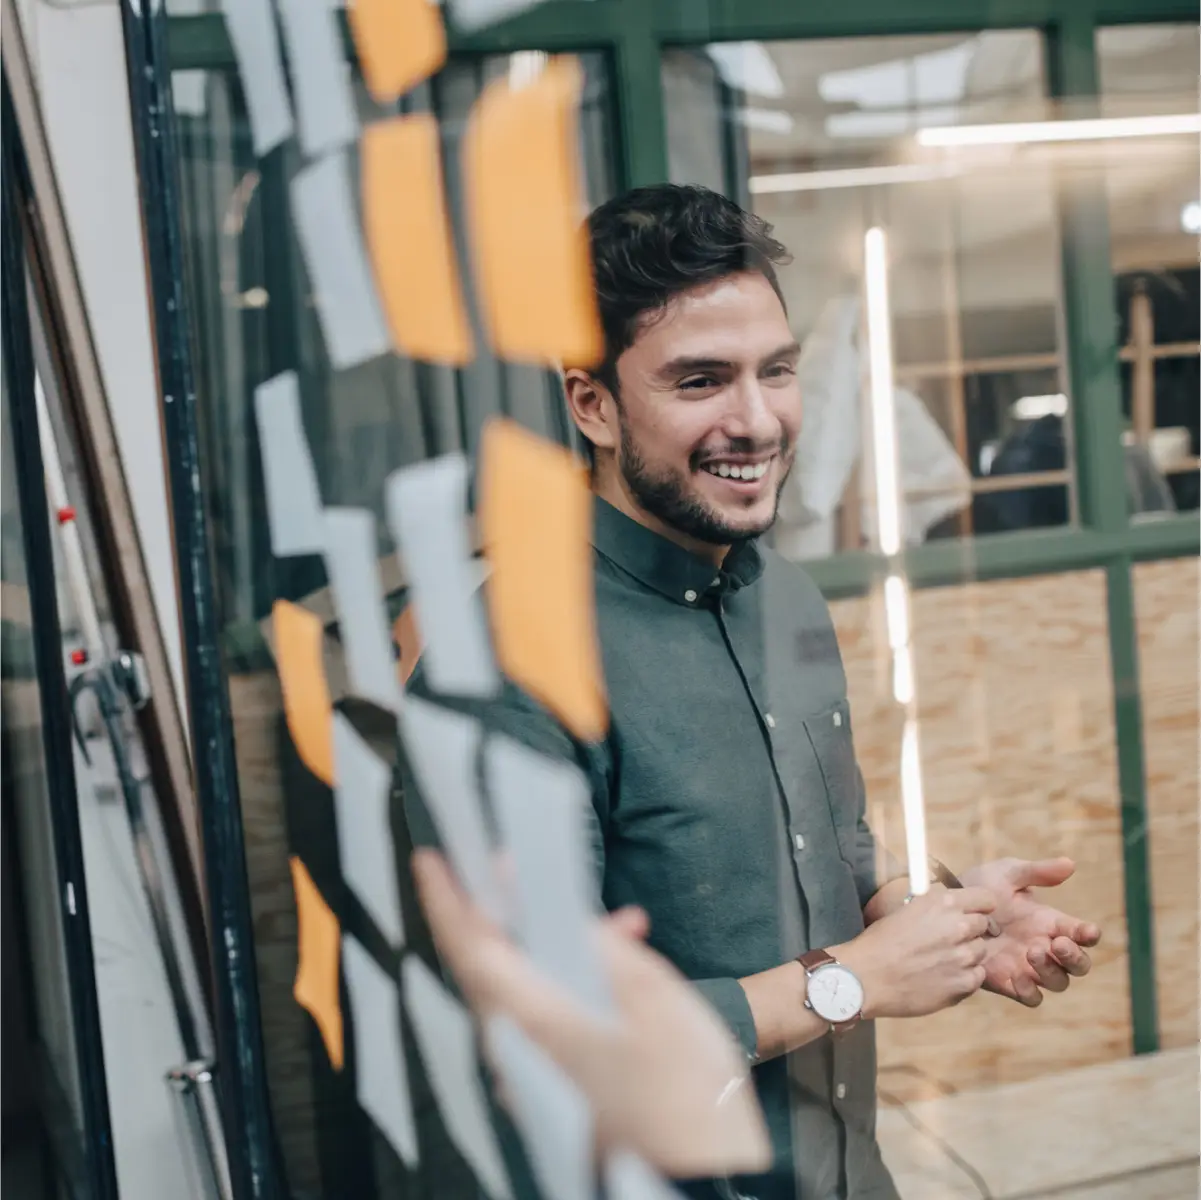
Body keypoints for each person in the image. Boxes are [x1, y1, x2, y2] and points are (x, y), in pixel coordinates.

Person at [408, 184, 1101, 1200]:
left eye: (776, 371)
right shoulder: (501, 670)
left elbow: (833, 853)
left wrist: (944, 919)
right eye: (699, 381)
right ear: (591, 403)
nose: (756, 420)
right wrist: (857, 980)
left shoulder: (783, 599)